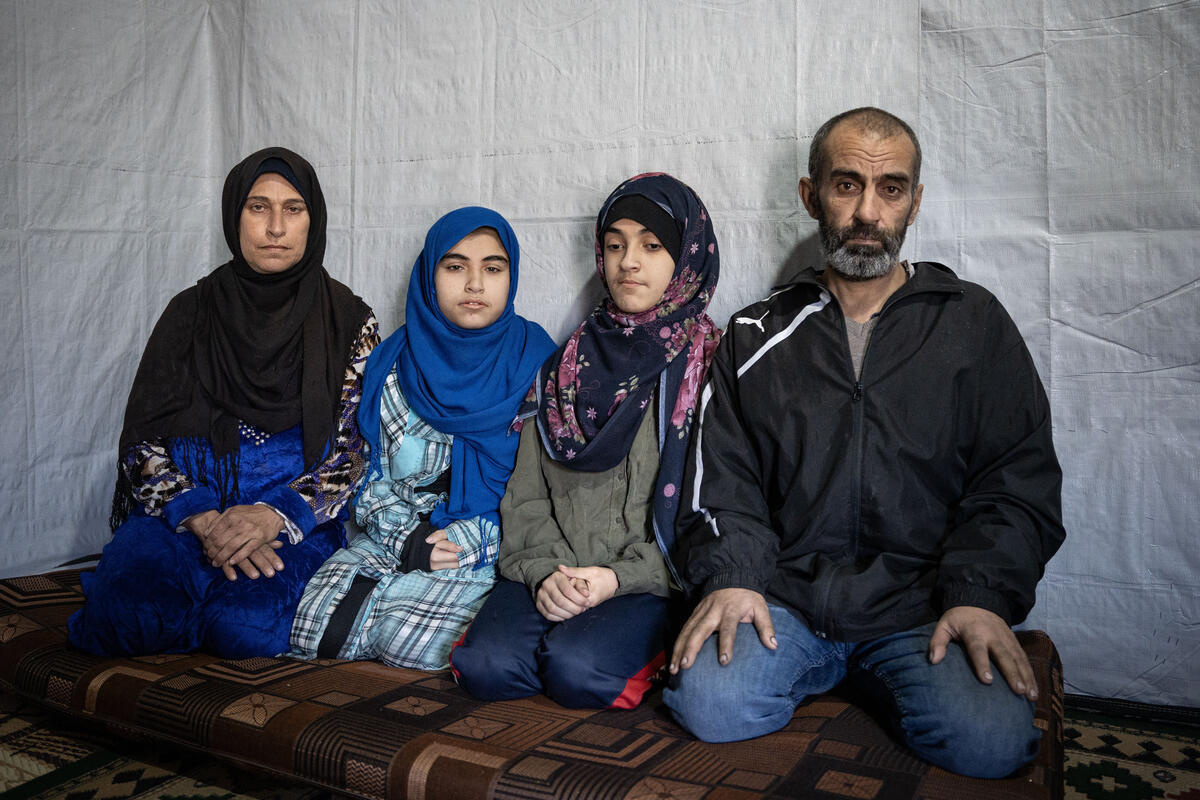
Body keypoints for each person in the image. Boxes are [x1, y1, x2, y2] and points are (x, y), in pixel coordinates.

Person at [664, 108, 1066, 779]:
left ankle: (887, 676)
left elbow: (1015, 482)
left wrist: (979, 595)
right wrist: (733, 579)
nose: (868, 213)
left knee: (991, 742)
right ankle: (827, 670)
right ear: (811, 195)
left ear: (915, 201)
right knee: (711, 704)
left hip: (922, 606)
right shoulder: (754, 333)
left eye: (891, 189)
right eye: (847, 185)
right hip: (786, 601)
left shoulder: (973, 324)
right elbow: (721, 483)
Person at [68, 147, 378, 659]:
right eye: (258, 207)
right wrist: (203, 517)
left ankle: (202, 618)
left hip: (287, 526)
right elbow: (142, 440)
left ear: (313, 220)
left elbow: (350, 453)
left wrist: (272, 516)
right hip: (182, 517)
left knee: (244, 629)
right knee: (129, 616)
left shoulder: (348, 321)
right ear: (234, 216)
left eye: (293, 209)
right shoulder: (189, 312)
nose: (275, 226)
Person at [450, 173, 721, 709]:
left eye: (651, 245)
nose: (628, 262)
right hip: (556, 567)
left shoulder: (710, 370)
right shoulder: (565, 368)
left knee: (581, 671)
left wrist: (616, 579)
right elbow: (525, 494)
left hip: (649, 579)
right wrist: (548, 572)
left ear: (687, 258)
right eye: (615, 245)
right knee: (485, 666)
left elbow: (715, 510)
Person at [288, 207, 555, 669]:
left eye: (493, 268)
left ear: (511, 276)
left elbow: (549, 493)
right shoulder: (392, 362)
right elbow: (364, 474)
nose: (475, 285)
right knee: (313, 630)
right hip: (395, 535)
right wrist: (408, 538)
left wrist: (468, 540)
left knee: (409, 641)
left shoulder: (537, 364)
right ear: (429, 275)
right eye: (455, 267)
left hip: (488, 545)